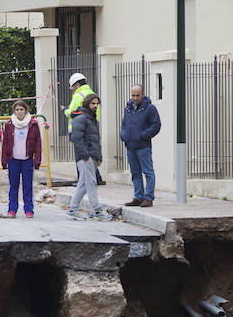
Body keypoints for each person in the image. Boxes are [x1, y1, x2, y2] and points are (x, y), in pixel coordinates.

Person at [67, 93, 112, 221]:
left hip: (91, 156)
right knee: (91, 183)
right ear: (87, 103)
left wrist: (98, 158)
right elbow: (77, 138)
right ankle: (98, 211)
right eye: (93, 103)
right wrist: (85, 155)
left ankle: (73, 209)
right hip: (85, 157)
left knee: (83, 184)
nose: (95, 106)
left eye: (97, 104)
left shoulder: (92, 119)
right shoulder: (81, 118)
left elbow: (95, 140)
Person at [120, 84, 161, 208]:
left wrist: (143, 135)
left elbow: (156, 125)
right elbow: (124, 125)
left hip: (143, 147)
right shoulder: (128, 108)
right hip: (130, 146)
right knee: (135, 173)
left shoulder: (150, 109)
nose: (135, 98)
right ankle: (138, 197)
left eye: (138, 95)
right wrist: (124, 135)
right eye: (133, 95)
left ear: (142, 94)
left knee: (148, 172)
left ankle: (148, 198)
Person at [1, 100, 42, 218]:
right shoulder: (9, 125)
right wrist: (4, 161)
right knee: (13, 185)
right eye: (17, 110)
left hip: (27, 160)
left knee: (27, 185)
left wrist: (37, 161)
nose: (19, 112)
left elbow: (38, 143)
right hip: (13, 159)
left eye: (21, 109)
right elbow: (5, 143)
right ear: (14, 111)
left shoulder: (33, 124)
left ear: (26, 110)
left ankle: (29, 209)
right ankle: (12, 209)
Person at [62, 72, 104, 185]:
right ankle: (97, 177)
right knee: (91, 152)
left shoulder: (78, 95)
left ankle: (82, 179)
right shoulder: (92, 93)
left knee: (80, 154)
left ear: (77, 85)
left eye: (73, 87)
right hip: (92, 126)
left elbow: (72, 113)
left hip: (79, 128)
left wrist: (64, 110)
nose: (73, 89)